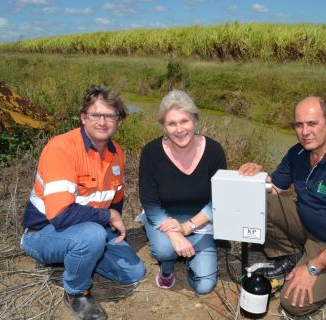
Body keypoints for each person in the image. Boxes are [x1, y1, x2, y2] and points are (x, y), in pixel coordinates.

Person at [239, 96, 326, 316]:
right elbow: (272, 189)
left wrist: (313, 268)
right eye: (299, 125)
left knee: (292, 302)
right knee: (260, 202)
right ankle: (292, 255)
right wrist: (254, 176)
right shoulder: (298, 153)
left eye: (312, 124)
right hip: (306, 227)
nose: (305, 131)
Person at [20, 85, 146, 320]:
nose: (102, 122)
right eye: (96, 115)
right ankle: (76, 292)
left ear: (120, 121)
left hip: (89, 228)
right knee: (91, 237)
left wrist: (112, 229)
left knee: (134, 272)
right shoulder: (62, 148)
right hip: (43, 232)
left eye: (110, 116)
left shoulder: (116, 152)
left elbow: (115, 199)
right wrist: (108, 217)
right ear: (83, 118)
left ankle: (78, 258)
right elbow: (59, 214)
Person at [138, 90, 227, 294]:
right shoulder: (151, 153)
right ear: (163, 127)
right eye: (171, 123)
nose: (179, 129)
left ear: (195, 120)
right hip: (164, 220)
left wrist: (187, 227)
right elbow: (149, 201)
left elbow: (219, 199)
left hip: (201, 221)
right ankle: (167, 267)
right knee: (164, 248)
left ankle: (190, 258)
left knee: (204, 286)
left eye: (184, 121)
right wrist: (175, 234)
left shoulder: (214, 151)